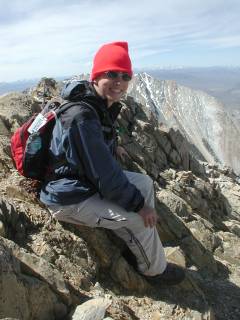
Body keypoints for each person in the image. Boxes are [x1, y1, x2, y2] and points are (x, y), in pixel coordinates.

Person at [40, 41, 185, 285]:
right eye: (111, 74)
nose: (119, 81)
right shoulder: (82, 116)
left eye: (125, 75)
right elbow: (105, 177)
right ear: (96, 76)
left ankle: (140, 246)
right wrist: (140, 207)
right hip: (69, 197)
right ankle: (154, 270)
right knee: (140, 220)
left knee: (144, 183)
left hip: (82, 181)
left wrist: (111, 146)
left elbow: (91, 149)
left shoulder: (95, 104)